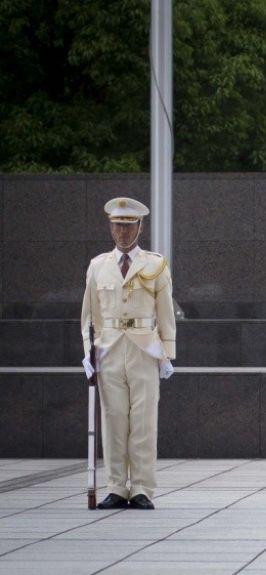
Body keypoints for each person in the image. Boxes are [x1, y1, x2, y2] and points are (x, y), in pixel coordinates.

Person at [80, 197, 176, 510]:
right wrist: (88, 354)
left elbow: (165, 313)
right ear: (110, 227)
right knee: (114, 419)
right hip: (108, 348)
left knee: (145, 420)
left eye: (129, 225)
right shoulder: (98, 266)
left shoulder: (155, 264)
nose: (123, 232)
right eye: (118, 225)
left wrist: (167, 354)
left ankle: (143, 488)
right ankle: (117, 487)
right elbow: (89, 317)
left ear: (140, 226)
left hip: (144, 348)